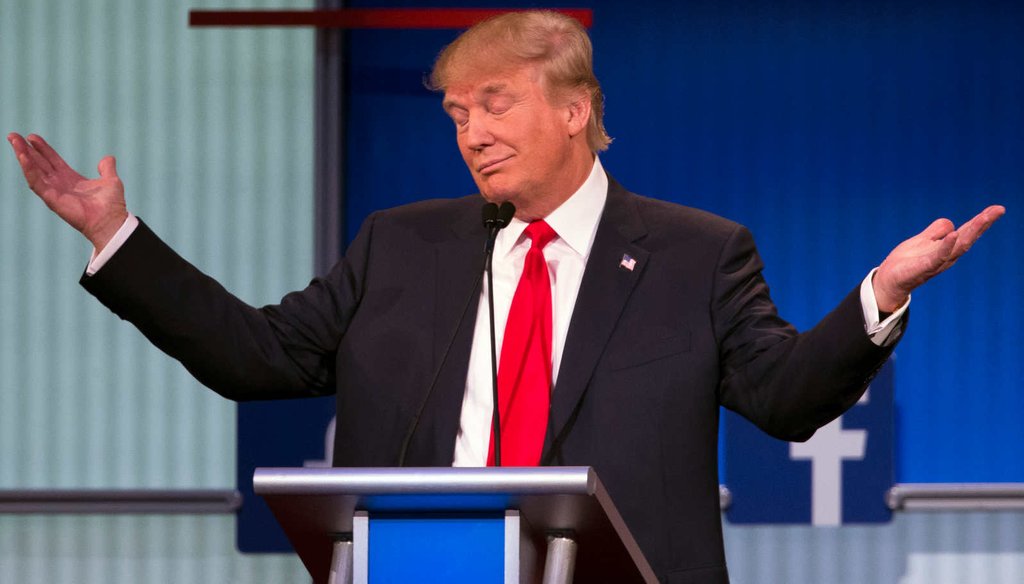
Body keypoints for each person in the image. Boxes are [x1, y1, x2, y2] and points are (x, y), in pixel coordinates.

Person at [6, 10, 1004, 583]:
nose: (469, 130)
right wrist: (117, 241)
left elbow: (786, 395)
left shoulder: (695, 254)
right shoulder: (401, 245)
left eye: (494, 104)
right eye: (454, 112)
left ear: (574, 111)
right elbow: (256, 355)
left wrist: (879, 291)